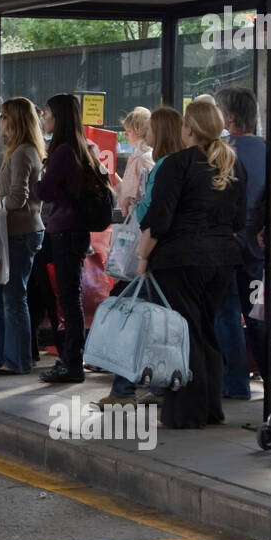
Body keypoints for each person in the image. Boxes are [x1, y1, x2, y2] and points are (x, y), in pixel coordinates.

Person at [136, 99, 247, 429]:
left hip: (180, 260)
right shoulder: (233, 165)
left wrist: (143, 258)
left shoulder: (178, 164)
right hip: (222, 259)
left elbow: (159, 220)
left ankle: (186, 412)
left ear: (189, 129)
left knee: (184, 336)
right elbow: (239, 220)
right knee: (204, 331)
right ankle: (211, 407)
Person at [98, 106, 185, 406]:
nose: (146, 133)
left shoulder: (162, 166)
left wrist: (142, 259)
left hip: (151, 252)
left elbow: (151, 214)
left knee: (129, 315)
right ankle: (158, 387)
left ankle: (123, 390)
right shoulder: (180, 164)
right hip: (168, 255)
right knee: (158, 322)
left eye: (151, 129)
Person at [35, 93, 107, 384]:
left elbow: (45, 191)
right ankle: (69, 356)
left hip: (65, 230)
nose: (44, 118)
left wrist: (40, 178)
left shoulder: (63, 151)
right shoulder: (84, 147)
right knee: (65, 293)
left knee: (68, 296)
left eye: (48, 114)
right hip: (72, 230)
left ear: (60, 117)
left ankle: (71, 361)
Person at [0, 97, 46, 376]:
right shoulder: (19, 150)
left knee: (12, 297)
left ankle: (17, 359)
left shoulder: (22, 153)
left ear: (15, 121)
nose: (1, 122)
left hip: (19, 232)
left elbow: (19, 198)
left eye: (5, 117)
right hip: (12, 232)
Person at [215, 86, 268, 400]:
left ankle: (235, 383)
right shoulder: (267, 149)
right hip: (258, 247)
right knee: (256, 313)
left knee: (226, 311)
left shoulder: (222, 150)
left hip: (228, 242)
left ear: (229, 118)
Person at [114, 107, 153, 220]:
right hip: (128, 219)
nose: (125, 134)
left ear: (139, 132)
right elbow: (128, 191)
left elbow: (146, 196)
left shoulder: (144, 159)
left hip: (134, 222)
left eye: (128, 131)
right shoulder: (137, 156)